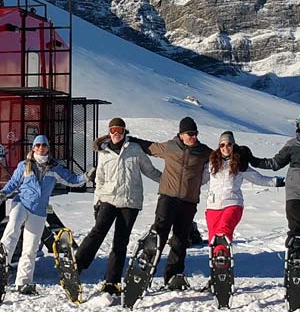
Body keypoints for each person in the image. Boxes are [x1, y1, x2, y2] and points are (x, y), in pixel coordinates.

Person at [74, 118, 162, 295]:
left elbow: (150, 171)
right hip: (108, 199)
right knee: (98, 230)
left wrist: (169, 183)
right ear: (109, 132)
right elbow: (100, 180)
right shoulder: (104, 153)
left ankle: (112, 281)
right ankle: (77, 264)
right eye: (113, 130)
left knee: (120, 241)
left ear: (124, 132)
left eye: (119, 130)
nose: (116, 134)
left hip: (130, 202)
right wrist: (96, 202)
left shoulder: (135, 150)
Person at [249, 110, 300, 294]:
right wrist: (252, 160)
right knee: (296, 234)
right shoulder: (292, 145)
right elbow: (274, 164)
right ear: (298, 127)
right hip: (296, 196)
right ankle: (293, 276)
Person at [0, 135, 89, 295]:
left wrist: (87, 176)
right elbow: (13, 183)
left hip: (39, 211)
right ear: (33, 148)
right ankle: (1, 270)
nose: (41, 148)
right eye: (38, 145)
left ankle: (24, 283)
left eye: (44, 145)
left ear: (48, 148)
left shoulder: (54, 168)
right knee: (11, 234)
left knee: (30, 248)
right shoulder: (24, 166)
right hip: (22, 204)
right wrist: (4, 193)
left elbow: (72, 179)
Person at [136, 117, 212, 289]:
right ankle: (146, 267)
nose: (193, 137)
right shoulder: (170, 147)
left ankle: (173, 276)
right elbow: (148, 146)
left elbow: (220, 157)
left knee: (180, 238)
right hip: (167, 197)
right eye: (190, 134)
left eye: (195, 134)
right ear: (181, 134)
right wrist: (126, 138)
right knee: (159, 232)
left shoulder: (203, 151)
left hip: (188, 201)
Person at [203, 131, 283, 254]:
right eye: (222, 145)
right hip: (212, 206)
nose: (226, 148)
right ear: (219, 146)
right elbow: (201, 179)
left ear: (233, 145)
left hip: (232, 203)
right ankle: (218, 264)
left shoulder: (239, 163)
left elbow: (258, 179)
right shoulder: (211, 163)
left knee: (223, 230)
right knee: (213, 238)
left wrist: (277, 182)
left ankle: (221, 254)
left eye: (229, 144)